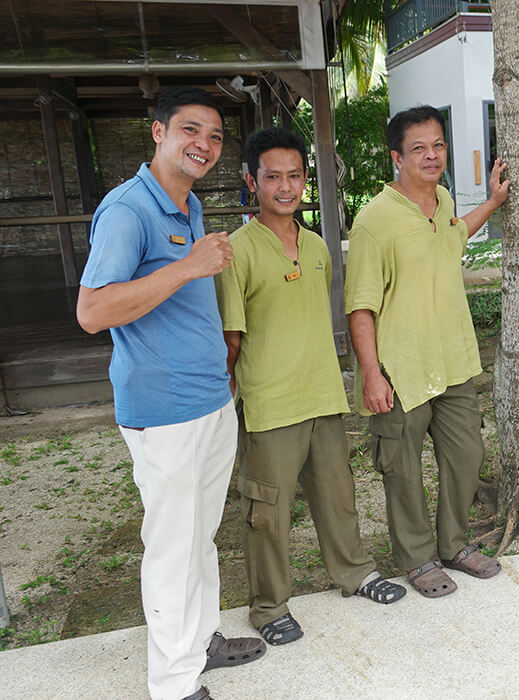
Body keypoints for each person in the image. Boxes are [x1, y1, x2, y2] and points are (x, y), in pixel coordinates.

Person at [76, 87, 264, 700]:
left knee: (198, 536)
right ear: (157, 133)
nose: (203, 145)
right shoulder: (128, 210)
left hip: (209, 399)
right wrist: (187, 267)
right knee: (170, 547)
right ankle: (176, 685)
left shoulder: (187, 207)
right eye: (190, 130)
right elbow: (93, 310)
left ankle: (200, 640)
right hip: (164, 411)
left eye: (213, 136)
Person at [214, 127, 406, 646]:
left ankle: (354, 573)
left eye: (295, 176)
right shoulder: (236, 251)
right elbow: (231, 341)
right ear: (251, 181)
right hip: (270, 404)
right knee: (267, 513)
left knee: (337, 495)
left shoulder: (318, 246)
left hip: (322, 395)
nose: (285, 186)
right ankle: (269, 606)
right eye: (272, 176)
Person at [345, 106, 508, 598]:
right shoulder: (375, 219)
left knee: (467, 455)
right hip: (401, 368)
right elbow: (359, 307)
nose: (431, 155)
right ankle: (417, 559)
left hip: (453, 361)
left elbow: (453, 239)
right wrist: (371, 374)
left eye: (438, 145)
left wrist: (494, 203)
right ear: (397, 156)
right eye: (418, 148)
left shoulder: (441, 199)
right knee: (403, 469)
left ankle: (454, 545)